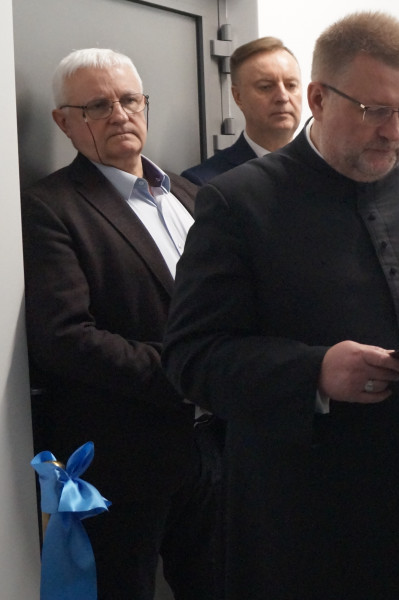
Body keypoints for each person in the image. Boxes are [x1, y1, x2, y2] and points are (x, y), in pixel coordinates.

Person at [163, 12, 399, 599]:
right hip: (316, 520)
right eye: (374, 111)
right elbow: (191, 356)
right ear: (317, 97)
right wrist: (313, 372)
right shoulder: (237, 203)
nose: (395, 131)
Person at [22, 48, 214, 599]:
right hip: (125, 464)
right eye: (97, 105)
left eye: (130, 100)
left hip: (218, 450)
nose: (120, 114)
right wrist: (191, 372)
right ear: (64, 121)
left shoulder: (192, 197)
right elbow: (65, 339)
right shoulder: (48, 208)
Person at [181, 36, 302, 184]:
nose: (283, 97)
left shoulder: (329, 169)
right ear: (238, 97)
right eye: (266, 87)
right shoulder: (205, 183)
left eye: (291, 85)